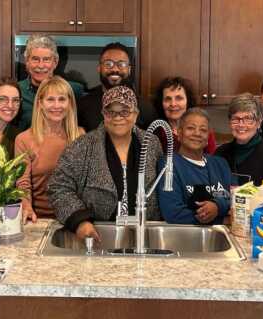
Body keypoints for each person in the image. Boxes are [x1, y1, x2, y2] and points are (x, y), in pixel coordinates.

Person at [48, 86, 163, 241]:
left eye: (125, 111)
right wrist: (80, 221)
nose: (118, 117)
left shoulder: (152, 143)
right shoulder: (82, 146)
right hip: (98, 234)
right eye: (111, 112)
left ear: (136, 114)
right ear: (103, 114)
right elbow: (58, 187)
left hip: (144, 234)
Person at [15, 76, 85, 220]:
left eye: (62, 99)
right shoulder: (24, 139)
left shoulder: (80, 135)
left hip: (75, 218)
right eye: (50, 99)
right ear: (40, 103)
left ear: (70, 103)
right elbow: (23, 183)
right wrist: (26, 207)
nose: (56, 106)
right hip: (39, 218)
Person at [159, 108, 233, 225]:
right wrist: (222, 220)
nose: (197, 133)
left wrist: (217, 206)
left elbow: (237, 199)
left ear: (208, 137)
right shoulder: (169, 164)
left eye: (203, 130)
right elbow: (173, 213)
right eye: (190, 128)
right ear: (179, 133)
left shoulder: (221, 164)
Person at [77, 42, 157, 131]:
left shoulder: (145, 108)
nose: (115, 69)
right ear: (99, 68)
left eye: (121, 64)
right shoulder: (82, 106)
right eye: (108, 64)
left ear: (129, 69)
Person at [216, 93, 263, 191]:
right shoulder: (220, 153)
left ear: (259, 123)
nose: (241, 124)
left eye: (248, 119)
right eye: (236, 119)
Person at [18, 34, 84, 130]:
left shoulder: (74, 90)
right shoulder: (17, 91)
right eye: (35, 59)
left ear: (55, 62)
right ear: (27, 62)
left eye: (46, 59)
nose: (41, 65)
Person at [153, 76, 217, 154]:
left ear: (188, 101)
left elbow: (212, 160)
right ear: (161, 103)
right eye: (168, 99)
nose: (173, 104)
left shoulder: (203, 129)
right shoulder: (155, 132)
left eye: (179, 98)